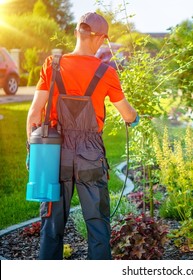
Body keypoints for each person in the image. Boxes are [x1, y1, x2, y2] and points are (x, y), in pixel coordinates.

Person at [26, 12, 139, 260]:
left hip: (56, 157)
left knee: (52, 228)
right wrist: (135, 118)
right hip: (91, 157)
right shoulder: (106, 72)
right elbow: (127, 114)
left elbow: (34, 114)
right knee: (98, 228)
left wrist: (33, 154)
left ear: (77, 32)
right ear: (100, 39)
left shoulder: (52, 65)